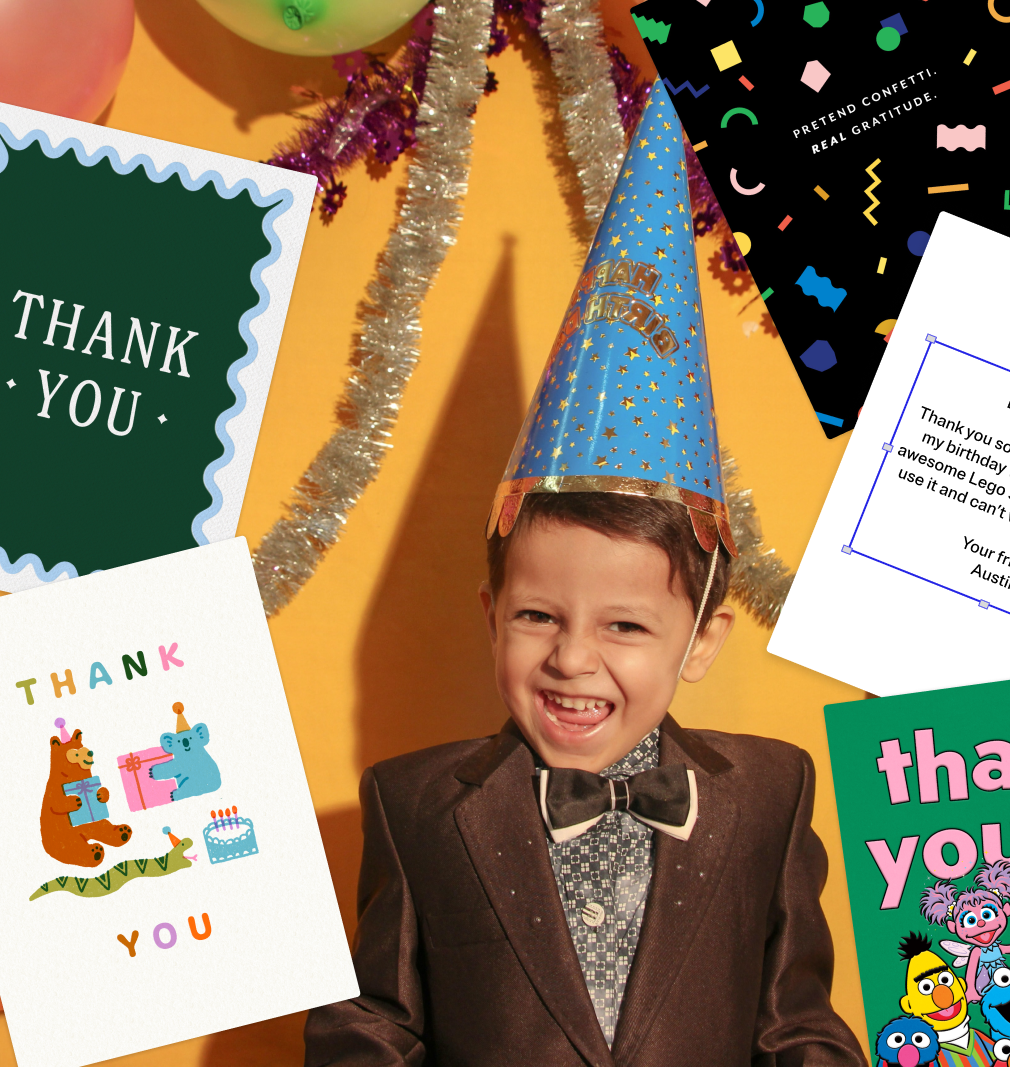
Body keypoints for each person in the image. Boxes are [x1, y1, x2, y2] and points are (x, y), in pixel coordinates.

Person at [304, 81, 866, 1067]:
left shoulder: (768, 792)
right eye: (535, 613)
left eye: (625, 626)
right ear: (489, 614)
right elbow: (373, 1019)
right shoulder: (414, 802)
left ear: (701, 640)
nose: (571, 658)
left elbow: (795, 1017)